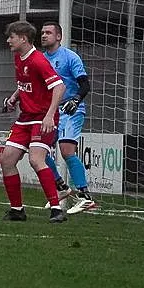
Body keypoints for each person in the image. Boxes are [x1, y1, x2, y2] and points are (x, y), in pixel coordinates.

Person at [0, 20, 67, 223]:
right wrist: (14, 98)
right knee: (7, 160)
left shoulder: (38, 60)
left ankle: (56, 209)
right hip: (26, 117)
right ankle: (17, 210)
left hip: (42, 118)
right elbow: (26, 85)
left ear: (23, 38)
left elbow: (59, 87)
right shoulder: (19, 58)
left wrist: (49, 115)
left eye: (12, 37)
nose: (8, 40)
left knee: (35, 160)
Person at [40, 21, 97, 214]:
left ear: (58, 37)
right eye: (42, 32)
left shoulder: (70, 57)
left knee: (66, 150)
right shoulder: (40, 60)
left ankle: (85, 196)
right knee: (38, 151)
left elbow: (85, 85)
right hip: (51, 112)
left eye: (48, 32)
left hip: (71, 110)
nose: (44, 35)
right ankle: (61, 187)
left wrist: (75, 99)